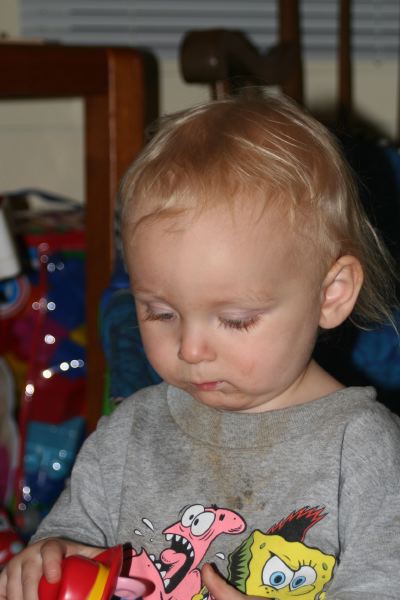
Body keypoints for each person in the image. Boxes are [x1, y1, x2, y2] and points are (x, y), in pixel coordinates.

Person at [1, 92, 400, 600]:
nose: (190, 350)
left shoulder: (361, 448)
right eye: (160, 313)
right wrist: (49, 557)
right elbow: (67, 538)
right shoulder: (130, 432)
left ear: (331, 295)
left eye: (235, 320)